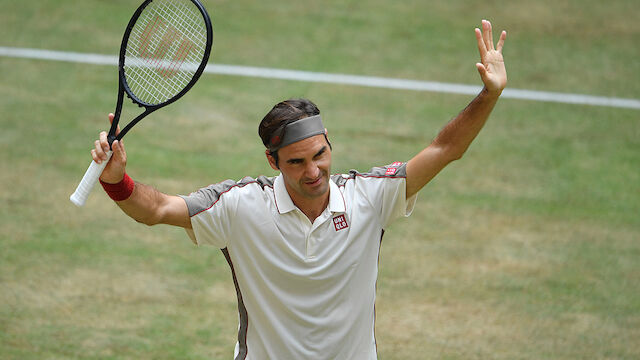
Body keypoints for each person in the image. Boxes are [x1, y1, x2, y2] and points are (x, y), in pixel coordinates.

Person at [91, 20, 507, 360]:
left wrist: (488, 95)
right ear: (272, 162)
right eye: (297, 162)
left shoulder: (371, 196)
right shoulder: (239, 206)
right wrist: (116, 182)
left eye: (320, 154)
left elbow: (445, 148)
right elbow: (158, 209)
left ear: (328, 141)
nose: (314, 171)